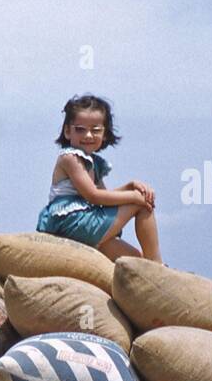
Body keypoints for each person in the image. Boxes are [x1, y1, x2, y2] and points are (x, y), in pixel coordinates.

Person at [35, 94, 163, 262]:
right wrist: (134, 197)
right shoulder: (70, 158)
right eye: (80, 129)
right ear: (67, 131)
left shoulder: (93, 163)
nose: (88, 135)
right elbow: (93, 196)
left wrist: (130, 186)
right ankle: (157, 265)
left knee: (136, 259)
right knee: (142, 205)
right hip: (74, 223)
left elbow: (104, 195)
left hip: (85, 221)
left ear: (105, 134)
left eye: (95, 130)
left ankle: (148, 268)